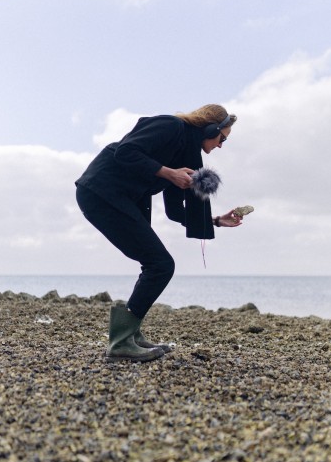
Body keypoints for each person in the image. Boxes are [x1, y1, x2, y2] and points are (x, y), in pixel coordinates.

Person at [75, 103, 242, 362]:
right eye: (222, 138)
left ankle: (129, 334)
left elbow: (175, 211)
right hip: (101, 191)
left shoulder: (188, 158)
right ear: (211, 128)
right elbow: (125, 151)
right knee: (160, 264)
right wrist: (168, 173)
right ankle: (120, 342)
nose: (221, 145)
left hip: (123, 199)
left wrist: (216, 221)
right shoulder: (170, 126)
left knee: (156, 264)